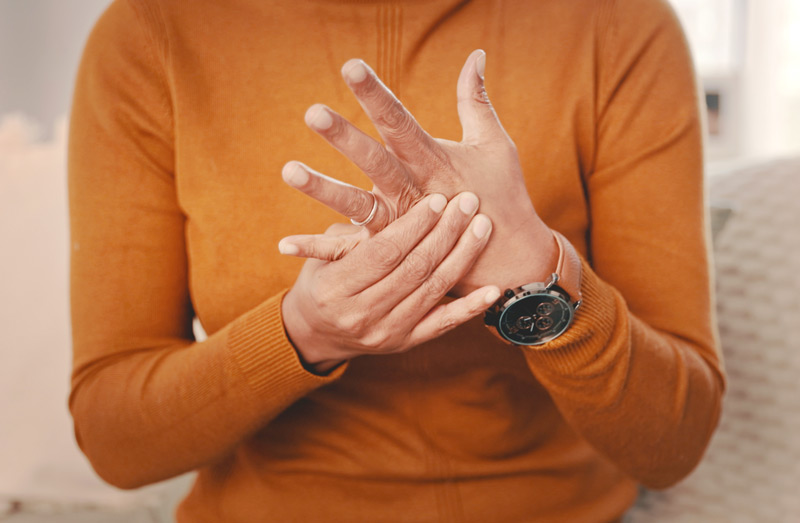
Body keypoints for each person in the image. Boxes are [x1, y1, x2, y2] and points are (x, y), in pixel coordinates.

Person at [67, 0, 725, 521]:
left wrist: (540, 274)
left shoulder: (618, 24)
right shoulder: (148, 34)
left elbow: (675, 441)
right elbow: (115, 439)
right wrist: (301, 334)